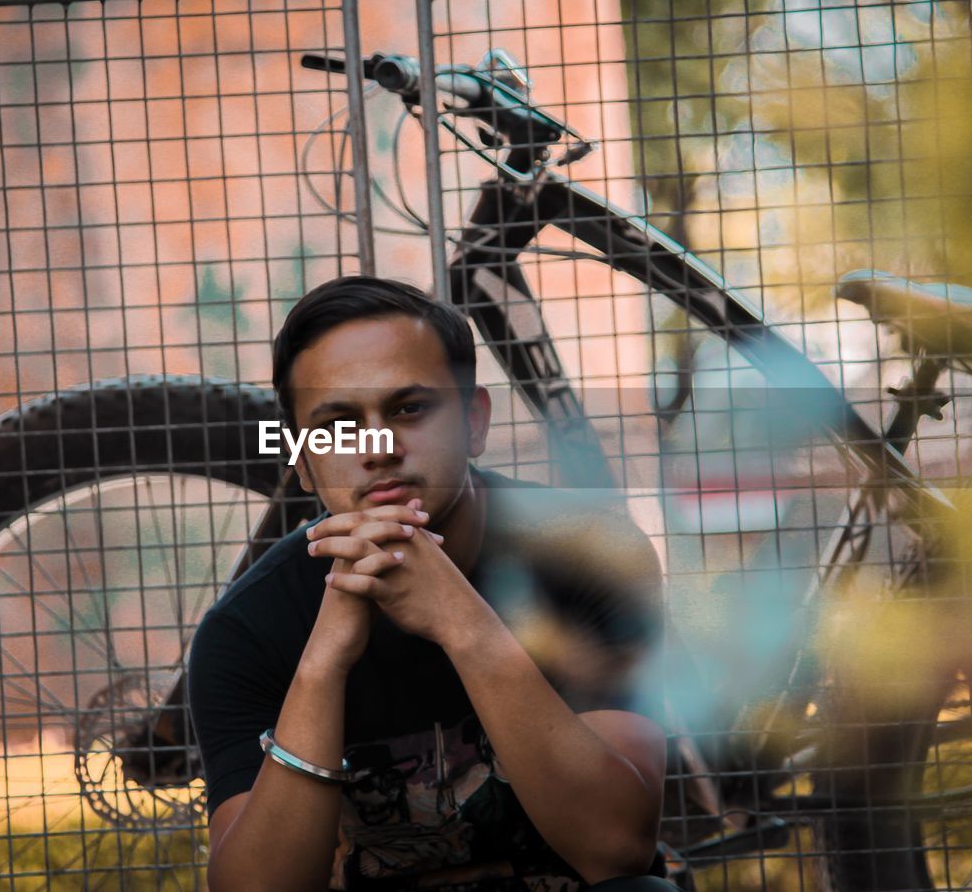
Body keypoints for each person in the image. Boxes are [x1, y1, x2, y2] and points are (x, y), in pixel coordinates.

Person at [188, 276, 671, 892]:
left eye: (409, 409)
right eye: (338, 424)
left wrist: (463, 624)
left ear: (474, 422)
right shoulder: (247, 628)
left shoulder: (589, 554)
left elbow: (618, 850)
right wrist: (323, 664)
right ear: (303, 462)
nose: (378, 447)